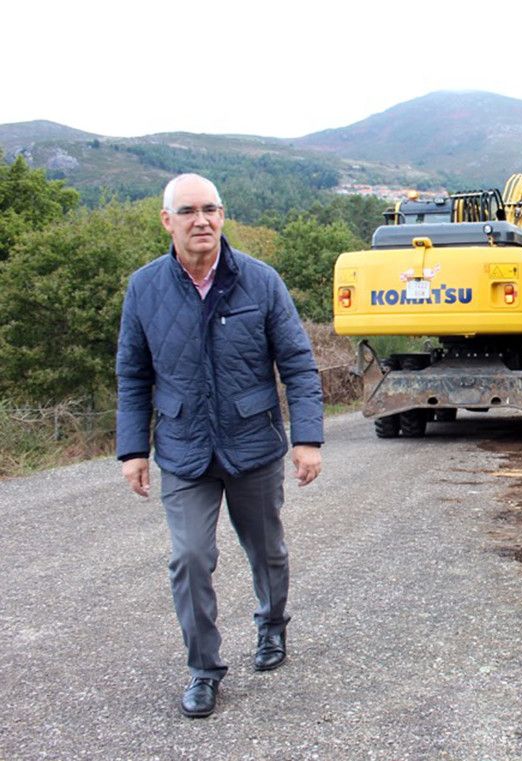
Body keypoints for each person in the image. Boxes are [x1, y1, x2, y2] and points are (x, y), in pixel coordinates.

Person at [116, 173, 324, 718]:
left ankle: (272, 626)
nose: (201, 220)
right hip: (184, 449)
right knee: (188, 557)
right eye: (188, 211)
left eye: (210, 209)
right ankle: (204, 670)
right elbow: (133, 375)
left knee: (267, 551)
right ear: (168, 220)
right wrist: (133, 450)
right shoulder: (144, 288)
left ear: (223, 215)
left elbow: (298, 365)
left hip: (252, 444)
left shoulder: (260, 280)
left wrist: (306, 438)